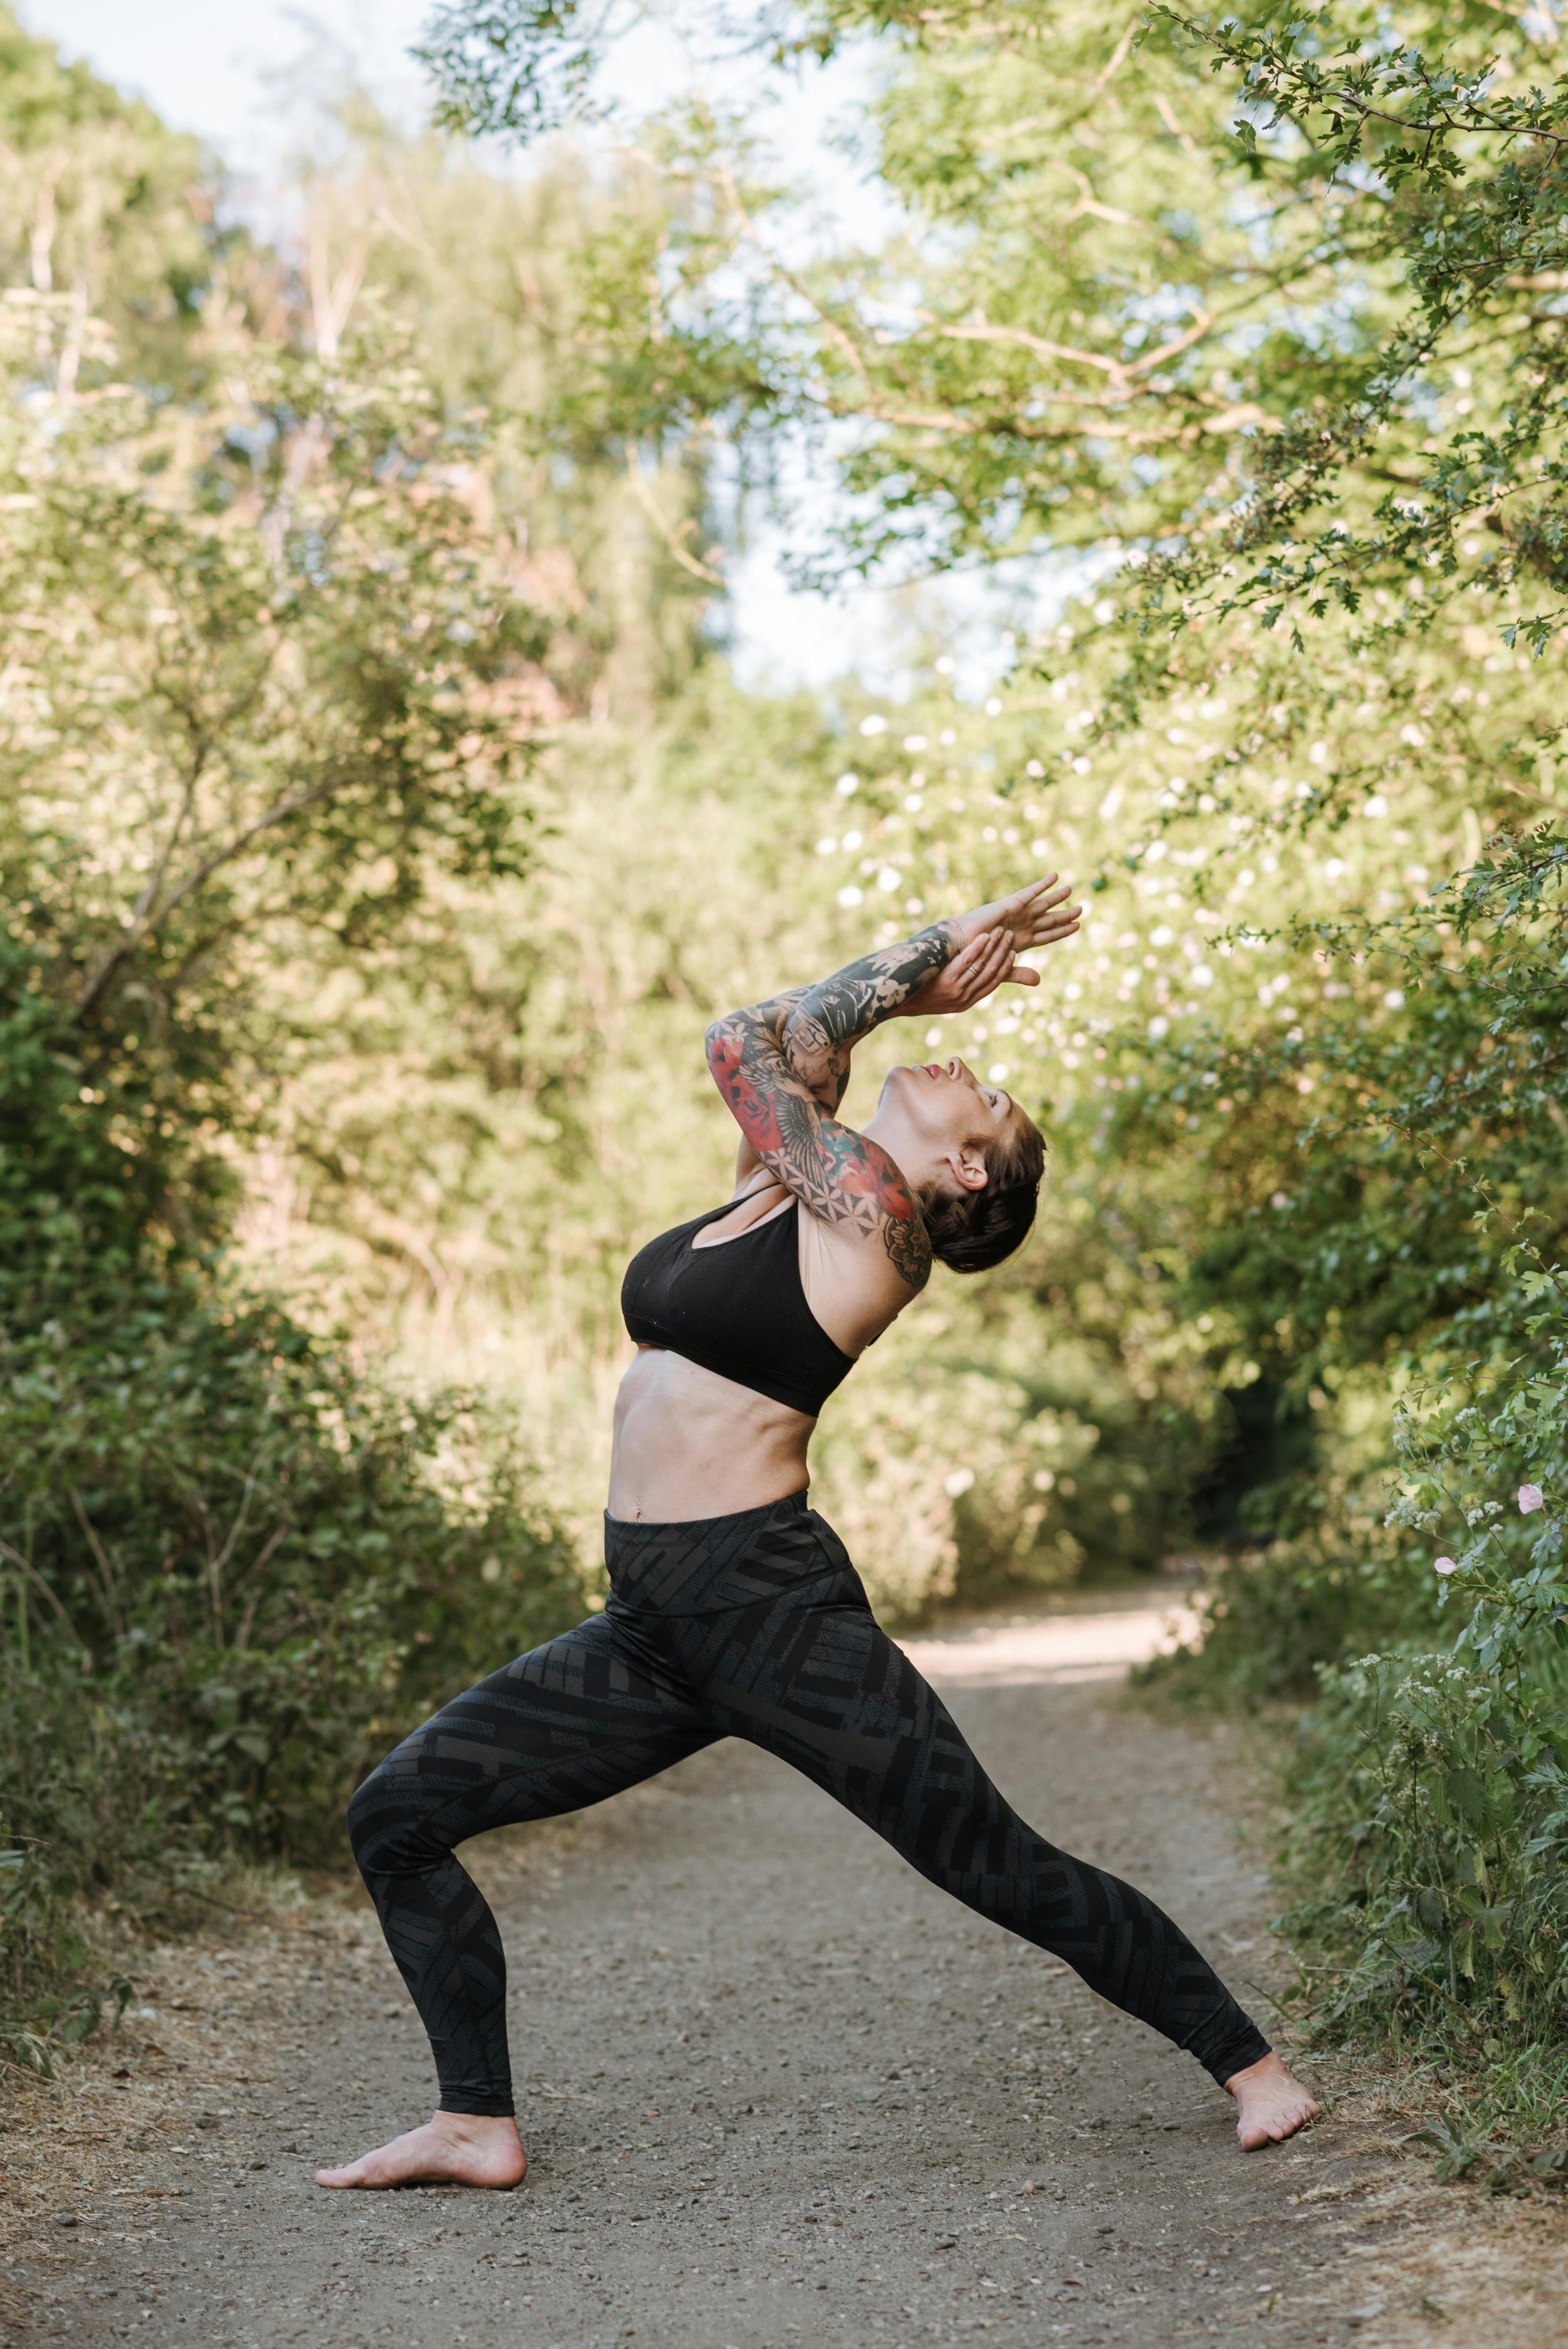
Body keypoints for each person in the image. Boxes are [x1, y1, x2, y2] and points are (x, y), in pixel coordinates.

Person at [319, 875, 1319, 2191]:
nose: (970, 1064)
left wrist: (920, 964)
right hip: (653, 1625)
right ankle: (474, 2122)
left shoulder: (878, 1227)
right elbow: (793, 1049)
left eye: (994, 1101)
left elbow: (738, 1044)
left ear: (963, 1169)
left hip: (770, 1613)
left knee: (992, 1858)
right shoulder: (784, 1186)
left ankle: (1256, 2070)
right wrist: (897, 987)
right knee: (397, 1814)